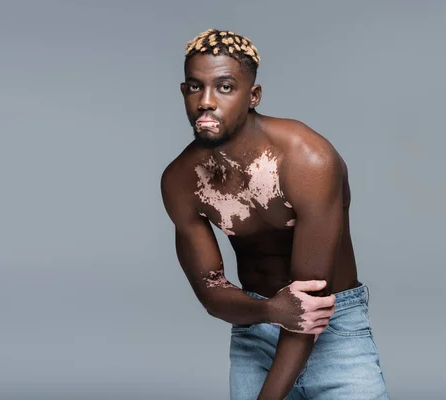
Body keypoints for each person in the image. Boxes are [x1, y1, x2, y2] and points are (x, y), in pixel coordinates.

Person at [161, 28, 389, 400]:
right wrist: (269, 311)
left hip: (333, 328)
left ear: (253, 96)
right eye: (194, 87)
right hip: (255, 325)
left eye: (224, 87)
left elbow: (308, 306)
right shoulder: (181, 180)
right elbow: (211, 293)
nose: (205, 101)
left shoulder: (306, 160)